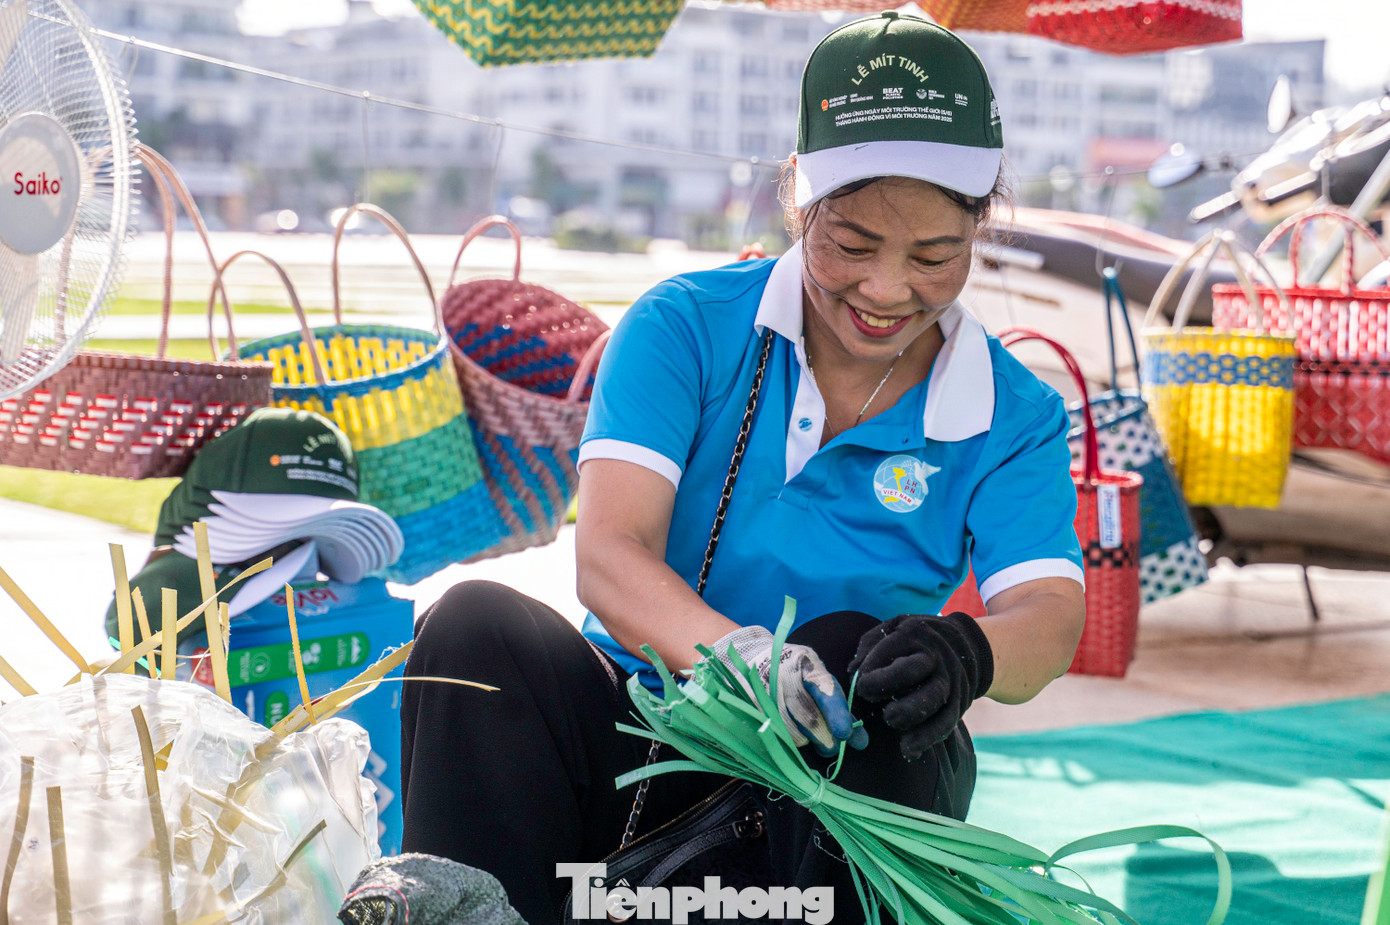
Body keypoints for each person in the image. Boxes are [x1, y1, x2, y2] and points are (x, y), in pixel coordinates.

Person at [400, 12, 1085, 924]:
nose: (886, 290)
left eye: (935, 255)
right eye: (849, 244)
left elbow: (1050, 618)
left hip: (838, 792)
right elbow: (609, 555)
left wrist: (969, 651)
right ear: (801, 201)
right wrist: (749, 662)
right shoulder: (685, 326)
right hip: (646, 748)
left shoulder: (1011, 412)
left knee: (856, 645)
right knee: (472, 627)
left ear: (979, 228)